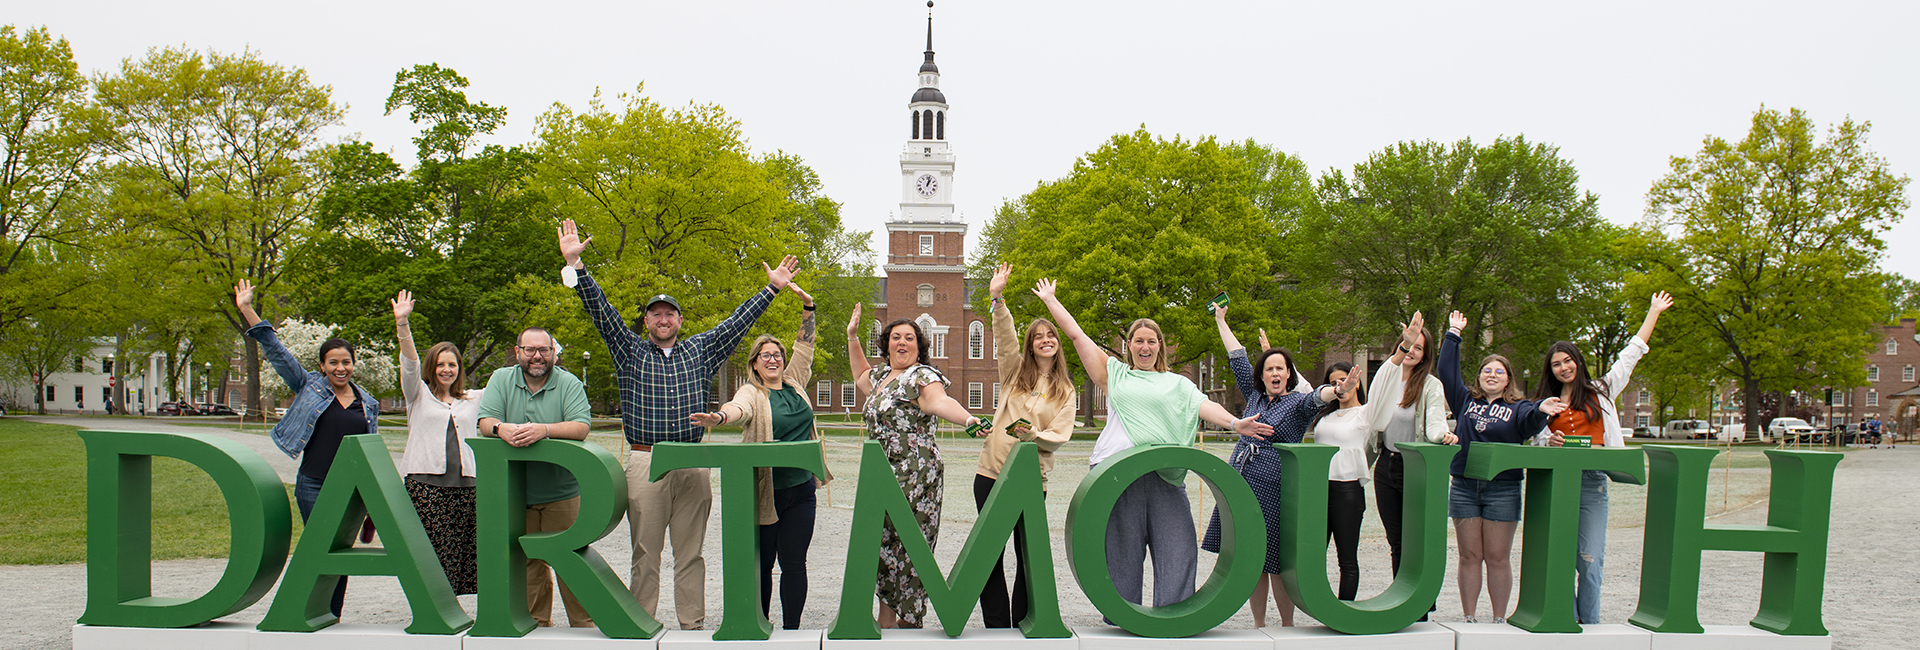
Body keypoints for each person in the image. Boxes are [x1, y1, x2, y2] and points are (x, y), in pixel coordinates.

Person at [557, 218, 798, 630]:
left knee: (691, 553)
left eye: (670, 313)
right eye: (656, 314)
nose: (663, 319)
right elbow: (602, 313)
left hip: (691, 461)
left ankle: (692, 627)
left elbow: (736, 324)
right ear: (647, 321)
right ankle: (640, 624)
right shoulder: (629, 350)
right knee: (645, 553)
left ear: (680, 320)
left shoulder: (700, 350)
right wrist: (577, 268)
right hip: (646, 462)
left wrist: (772, 288)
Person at [1034, 278, 1274, 617]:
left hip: (1165, 476)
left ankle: (1173, 616)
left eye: (1151, 341)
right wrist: (1051, 301)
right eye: (1138, 341)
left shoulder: (1178, 383)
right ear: (1128, 344)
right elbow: (1077, 336)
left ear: (1160, 346)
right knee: (1121, 550)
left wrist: (1236, 424)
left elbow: (1203, 406)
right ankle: (1122, 615)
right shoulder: (1114, 374)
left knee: (1178, 547)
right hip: (1118, 475)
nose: (1145, 347)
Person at [1200, 304, 1360, 627]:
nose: (1274, 373)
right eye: (1269, 368)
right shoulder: (1254, 397)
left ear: (1289, 374)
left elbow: (1319, 395)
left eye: (1280, 369)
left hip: (1275, 489)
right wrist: (1220, 320)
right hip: (1243, 483)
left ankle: (1286, 626)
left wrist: (1337, 391)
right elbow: (1237, 356)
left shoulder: (1297, 403)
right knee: (1251, 561)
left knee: (1276, 562)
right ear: (1262, 375)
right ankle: (1259, 624)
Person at [690, 283, 833, 630]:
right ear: (754, 364)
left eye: (777, 354)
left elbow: (806, 347)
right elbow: (737, 409)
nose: (774, 359)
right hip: (767, 492)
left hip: (801, 490)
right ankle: (761, 624)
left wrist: (808, 306)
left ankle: (792, 631)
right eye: (765, 355)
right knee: (764, 563)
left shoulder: (795, 382)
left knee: (795, 563)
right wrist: (720, 418)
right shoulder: (752, 392)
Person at [235, 279, 380, 618]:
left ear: (353, 363)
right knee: (320, 548)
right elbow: (276, 351)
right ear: (322, 366)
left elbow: (370, 450)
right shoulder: (308, 386)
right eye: (333, 363)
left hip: (351, 490)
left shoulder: (368, 403)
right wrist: (246, 308)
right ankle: (307, 610)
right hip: (314, 485)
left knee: (340, 551)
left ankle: (331, 614)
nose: (340, 368)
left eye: (346, 362)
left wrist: (372, 498)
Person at [1535, 292, 1673, 625]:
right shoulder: (1545, 402)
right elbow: (1534, 441)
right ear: (1551, 370)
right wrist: (1548, 440)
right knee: (1561, 561)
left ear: (1578, 362)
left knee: (1591, 560)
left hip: (1591, 483)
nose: (1564, 367)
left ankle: (1591, 626)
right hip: (1557, 483)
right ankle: (1564, 622)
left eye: (1568, 361)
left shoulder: (1601, 390)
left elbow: (1631, 354)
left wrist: (1653, 311)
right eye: (1556, 364)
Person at [844, 301, 982, 629]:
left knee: (907, 549)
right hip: (881, 475)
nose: (901, 342)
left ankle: (908, 625)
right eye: (895, 337)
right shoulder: (879, 377)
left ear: (919, 346)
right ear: (887, 344)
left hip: (915, 476)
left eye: (909, 338)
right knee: (880, 548)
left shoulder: (921, 375)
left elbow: (938, 402)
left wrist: (969, 419)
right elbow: (860, 373)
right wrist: (852, 336)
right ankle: (885, 621)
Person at [1439, 310, 1565, 624]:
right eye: (1486, 371)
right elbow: (1447, 370)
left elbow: (1529, 424)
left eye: (1499, 371)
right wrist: (1453, 334)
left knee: (1496, 557)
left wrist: (1542, 412)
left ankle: (1498, 619)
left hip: (1503, 489)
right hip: (1465, 486)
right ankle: (1469, 616)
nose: (1491, 375)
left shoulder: (1519, 408)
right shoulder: (1466, 401)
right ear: (1479, 376)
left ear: (1508, 378)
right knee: (1470, 556)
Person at [972, 263, 1078, 628]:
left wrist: (1035, 437)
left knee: (1027, 553)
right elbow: (1004, 339)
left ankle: (1023, 620)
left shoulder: (1065, 390)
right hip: (991, 473)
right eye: (1038, 336)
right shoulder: (1014, 374)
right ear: (1032, 345)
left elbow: (1061, 435)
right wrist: (997, 299)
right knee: (990, 554)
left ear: (1057, 343)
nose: (1045, 338)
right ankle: (996, 623)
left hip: (1031, 479)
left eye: (1051, 334)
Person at [476, 327, 594, 627]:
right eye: (530, 350)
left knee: (571, 562)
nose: (537, 356)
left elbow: (581, 427)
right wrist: (500, 428)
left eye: (544, 350)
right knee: (529, 564)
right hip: (516, 493)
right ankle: (536, 625)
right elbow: (485, 420)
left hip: (561, 492)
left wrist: (544, 429)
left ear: (554, 352)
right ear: (518, 352)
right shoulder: (501, 379)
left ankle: (584, 626)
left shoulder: (568, 382)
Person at [391, 290, 483, 595]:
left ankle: (451, 613)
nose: (447, 369)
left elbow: (507, 383)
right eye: (441, 364)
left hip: (466, 488)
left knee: (461, 555)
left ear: (459, 369)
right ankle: (432, 612)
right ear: (433, 366)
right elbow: (409, 363)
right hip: (425, 488)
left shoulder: (472, 399)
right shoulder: (418, 394)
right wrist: (402, 324)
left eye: (453, 365)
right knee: (430, 556)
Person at [1363, 313, 1457, 600]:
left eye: (1419, 347)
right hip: (1385, 466)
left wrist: (1443, 436)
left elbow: (1436, 422)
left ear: (1425, 355)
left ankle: (1421, 603)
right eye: (1408, 345)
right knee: (1396, 541)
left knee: (1416, 539)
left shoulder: (1430, 385)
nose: (1412, 351)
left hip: (1413, 467)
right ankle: (1400, 597)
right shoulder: (1385, 378)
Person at [1307, 361, 1371, 602]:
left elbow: (1387, 385)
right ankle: (1317, 605)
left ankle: (1345, 609)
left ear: (1356, 381)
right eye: (1333, 383)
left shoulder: (1366, 413)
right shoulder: (1325, 413)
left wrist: (1402, 352)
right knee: (1313, 554)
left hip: (1347, 491)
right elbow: (1303, 389)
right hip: (1319, 489)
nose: (1339, 386)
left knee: (1346, 558)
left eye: (1343, 380)